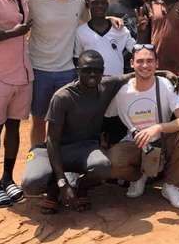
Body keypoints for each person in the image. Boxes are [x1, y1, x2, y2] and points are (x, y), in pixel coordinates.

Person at [27, 0, 122, 147]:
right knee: (38, 118)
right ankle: (36, 158)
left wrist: (110, 17)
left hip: (67, 70)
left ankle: (61, 161)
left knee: (64, 119)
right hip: (39, 69)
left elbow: (92, 18)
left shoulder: (78, 1)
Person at [21, 50, 131, 214]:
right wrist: (62, 183)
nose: (92, 74)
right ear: (77, 70)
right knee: (30, 183)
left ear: (103, 71)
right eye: (86, 70)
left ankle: (81, 188)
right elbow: (52, 140)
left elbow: (134, 75)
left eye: (97, 70)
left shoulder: (106, 85)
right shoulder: (63, 97)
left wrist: (164, 73)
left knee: (102, 166)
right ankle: (53, 190)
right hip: (55, 149)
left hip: (85, 148)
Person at [106, 44, 179, 209]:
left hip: (162, 140)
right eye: (140, 61)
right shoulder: (121, 92)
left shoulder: (167, 85)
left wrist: (158, 127)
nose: (145, 66)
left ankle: (170, 186)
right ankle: (139, 176)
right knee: (110, 164)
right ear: (132, 64)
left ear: (157, 63)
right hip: (135, 142)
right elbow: (104, 115)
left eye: (149, 61)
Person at [0, 0, 34, 207]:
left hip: (22, 76)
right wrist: (15, 33)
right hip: (0, 76)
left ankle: (7, 180)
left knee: (13, 130)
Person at [74, 0, 135, 76]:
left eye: (103, 3)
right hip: (92, 83)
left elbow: (135, 50)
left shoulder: (119, 29)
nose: (99, 6)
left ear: (107, 4)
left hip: (116, 82)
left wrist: (141, 31)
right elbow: (77, 58)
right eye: (95, 3)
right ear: (87, 4)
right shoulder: (81, 31)